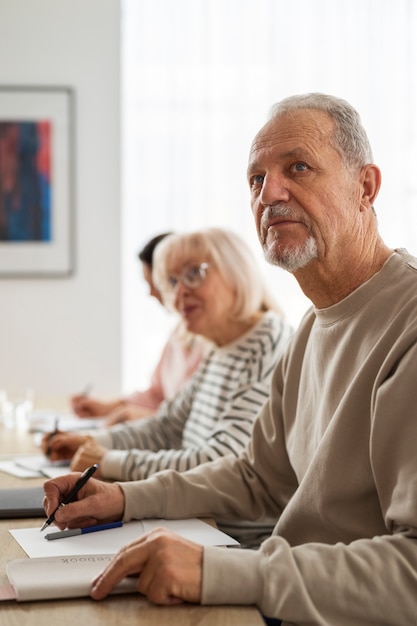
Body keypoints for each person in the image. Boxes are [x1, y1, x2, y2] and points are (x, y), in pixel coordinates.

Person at [43, 93, 417, 625]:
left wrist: (222, 573)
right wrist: (122, 498)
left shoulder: (408, 327)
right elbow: (256, 479)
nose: (271, 193)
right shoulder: (312, 326)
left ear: (366, 186)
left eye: (299, 167)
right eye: (255, 179)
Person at [44, 227, 292, 544]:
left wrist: (110, 460)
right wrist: (96, 441)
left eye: (193, 274)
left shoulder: (266, 343)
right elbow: (168, 425)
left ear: (236, 271)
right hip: (197, 521)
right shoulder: (221, 346)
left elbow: (221, 462)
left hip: (235, 537)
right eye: (172, 281)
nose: (179, 293)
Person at [71, 232, 207, 425]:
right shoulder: (179, 333)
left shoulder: (212, 339)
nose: (151, 293)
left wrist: (142, 418)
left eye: (155, 284)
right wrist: (108, 407)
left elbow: (199, 424)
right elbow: (157, 394)